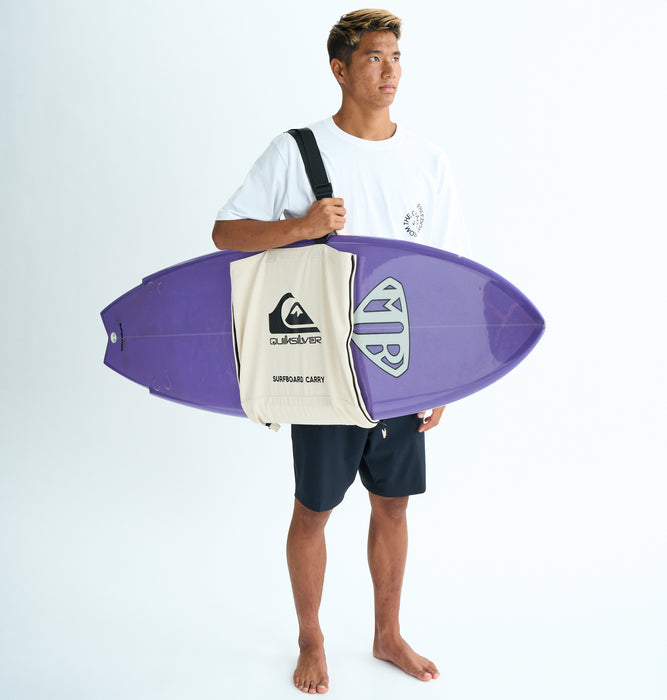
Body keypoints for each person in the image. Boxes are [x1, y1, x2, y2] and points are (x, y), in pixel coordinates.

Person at [212, 9, 466, 695]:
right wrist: (299, 228)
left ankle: (387, 634)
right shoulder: (297, 151)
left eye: (396, 56)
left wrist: (444, 376)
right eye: (375, 57)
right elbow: (225, 233)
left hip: (398, 366)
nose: (390, 71)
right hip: (319, 364)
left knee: (393, 504)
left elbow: (444, 275)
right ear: (340, 69)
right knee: (315, 509)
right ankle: (311, 637)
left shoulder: (428, 161)